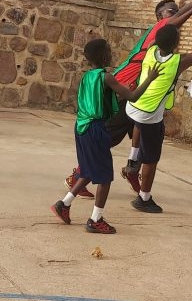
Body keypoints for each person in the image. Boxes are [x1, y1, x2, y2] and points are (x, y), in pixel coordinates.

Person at [65, 0, 192, 196]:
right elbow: (179, 22)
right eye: (171, 11)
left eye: (176, 10)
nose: (175, 13)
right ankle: (77, 177)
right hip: (123, 91)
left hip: (136, 94)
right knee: (108, 138)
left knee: (145, 134)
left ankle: (132, 169)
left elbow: (178, 28)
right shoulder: (157, 31)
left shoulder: (160, 44)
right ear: (160, 17)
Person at [126, 8, 192, 213]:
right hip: (149, 114)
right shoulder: (177, 62)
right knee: (151, 159)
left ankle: (133, 158)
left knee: (141, 130)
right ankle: (143, 198)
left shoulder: (150, 49)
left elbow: (165, 38)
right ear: (176, 44)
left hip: (133, 107)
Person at [51, 37, 159, 235]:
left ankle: (64, 204)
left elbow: (103, 98)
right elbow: (133, 97)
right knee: (105, 177)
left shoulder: (87, 76)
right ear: (103, 56)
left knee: (88, 170)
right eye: (109, 50)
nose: (111, 53)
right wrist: (149, 79)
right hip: (95, 129)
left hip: (81, 127)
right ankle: (95, 219)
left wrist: (122, 91)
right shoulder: (106, 77)